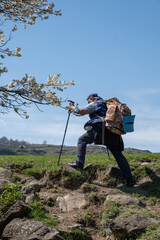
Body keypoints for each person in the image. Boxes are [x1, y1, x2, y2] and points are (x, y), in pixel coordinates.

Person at [68, 93, 135, 187]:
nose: (88, 103)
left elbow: (81, 112)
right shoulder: (107, 104)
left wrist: (72, 107)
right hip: (113, 130)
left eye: (88, 101)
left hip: (101, 130)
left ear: (91, 98)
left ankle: (79, 163)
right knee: (118, 155)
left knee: (82, 140)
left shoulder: (95, 103)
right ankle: (129, 180)